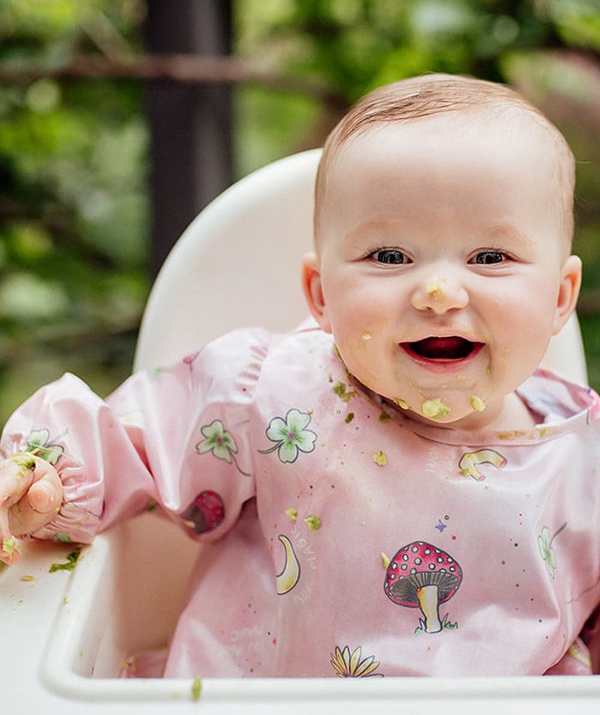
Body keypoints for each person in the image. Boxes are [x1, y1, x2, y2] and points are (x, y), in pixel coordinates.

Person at [1, 73, 598, 679]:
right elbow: (136, 439)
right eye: (389, 257)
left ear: (558, 295)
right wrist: (44, 473)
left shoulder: (589, 467)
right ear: (321, 295)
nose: (439, 293)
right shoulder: (274, 395)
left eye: (490, 258)